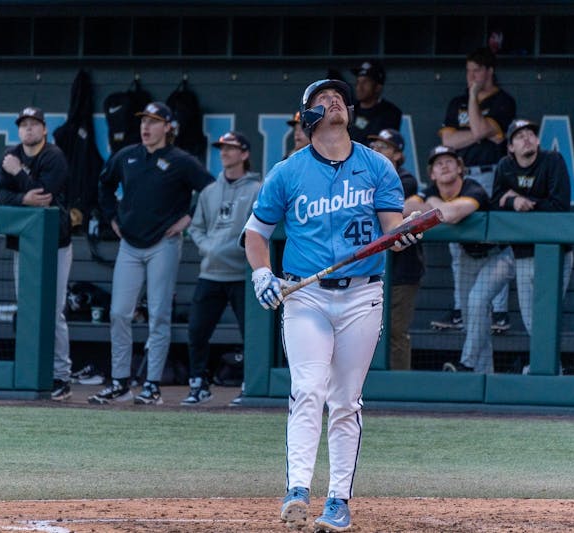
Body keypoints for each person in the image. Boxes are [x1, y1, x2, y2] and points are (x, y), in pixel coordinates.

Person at [243, 79, 419, 531]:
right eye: (322, 99)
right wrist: (263, 273)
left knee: (345, 401)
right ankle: (298, 488)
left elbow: (391, 232)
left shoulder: (378, 166)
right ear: (308, 118)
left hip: (362, 293)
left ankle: (338, 500)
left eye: (338, 96)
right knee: (307, 388)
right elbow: (256, 234)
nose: (334, 101)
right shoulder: (288, 171)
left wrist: (406, 232)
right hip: (306, 294)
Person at [90, 102, 213, 406]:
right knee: (119, 312)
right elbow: (104, 184)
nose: (146, 127)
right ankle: (120, 382)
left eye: (154, 121)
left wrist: (188, 218)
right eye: (144, 120)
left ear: (168, 127)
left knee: (158, 315)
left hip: (164, 244)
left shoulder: (181, 160)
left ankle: (152, 386)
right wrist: (113, 219)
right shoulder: (127, 155)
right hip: (130, 244)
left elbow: (211, 190)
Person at [406, 145, 514, 374]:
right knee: (471, 316)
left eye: (449, 161)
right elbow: (407, 207)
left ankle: (466, 364)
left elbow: (452, 216)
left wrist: (433, 203)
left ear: (460, 168)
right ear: (432, 173)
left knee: (477, 301)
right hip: (468, 257)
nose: (444, 165)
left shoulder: (472, 187)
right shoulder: (431, 190)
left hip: (498, 255)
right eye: (438, 163)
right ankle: (484, 374)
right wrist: (435, 203)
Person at [435, 47, 516, 333]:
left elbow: (483, 130)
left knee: (495, 241)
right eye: (468, 70)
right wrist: (474, 131)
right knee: (458, 245)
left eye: (477, 70)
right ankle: (460, 309)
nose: (471, 76)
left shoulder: (503, 101)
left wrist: (473, 100)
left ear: (489, 71)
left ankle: (500, 313)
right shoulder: (456, 101)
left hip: (492, 175)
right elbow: (449, 141)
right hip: (462, 177)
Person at [0, 107, 73, 401]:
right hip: (23, 245)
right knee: (27, 309)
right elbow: (2, 196)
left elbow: (44, 196)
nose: (28, 129)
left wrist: (20, 175)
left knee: (53, 310)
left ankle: (61, 375)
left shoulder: (53, 156)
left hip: (56, 244)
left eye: (34, 124)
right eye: (24, 125)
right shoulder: (12, 154)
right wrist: (22, 197)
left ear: (44, 129)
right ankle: (31, 371)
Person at [181, 131, 261, 406]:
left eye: (231, 148)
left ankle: (249, 384)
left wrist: (234, 249)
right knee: (197, 331)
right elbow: (196, 227)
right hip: (211, 271)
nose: (224, 153)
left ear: (245, 154)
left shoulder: (256, 189)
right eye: (221, 149)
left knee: (250, 333)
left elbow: (258, 230)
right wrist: (208, 248)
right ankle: (198, 384)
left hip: (241, 273)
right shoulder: (209, 191)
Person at [492, 119, 573, 352]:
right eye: (519, 136)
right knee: (530, 316)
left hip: (556, 253)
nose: (526, 137)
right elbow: (494, 204)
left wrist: (522, 201)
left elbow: (559, 207)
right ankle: (547, 367)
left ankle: (547, 368)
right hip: (522, 253)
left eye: (530, 133)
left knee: (548, 312)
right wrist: (511, 200)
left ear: (538, 140)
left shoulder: (552, 160)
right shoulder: (504, 166)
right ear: (510, 147)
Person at [368, 129, 425, 370]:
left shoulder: (404, 178)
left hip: (403, 268)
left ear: (398, 154)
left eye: (384, 147)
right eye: (375, 146)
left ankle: (399, 380)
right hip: (373, 270)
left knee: (395, 331)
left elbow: (377, 203)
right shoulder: (364, 174)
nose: (377, 150)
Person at [349, 60, 403, 145]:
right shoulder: (349, 109)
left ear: (378, 87)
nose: (359, 87)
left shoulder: (390, 113)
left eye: (365, 82)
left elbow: (384, 147)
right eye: (358, 82)